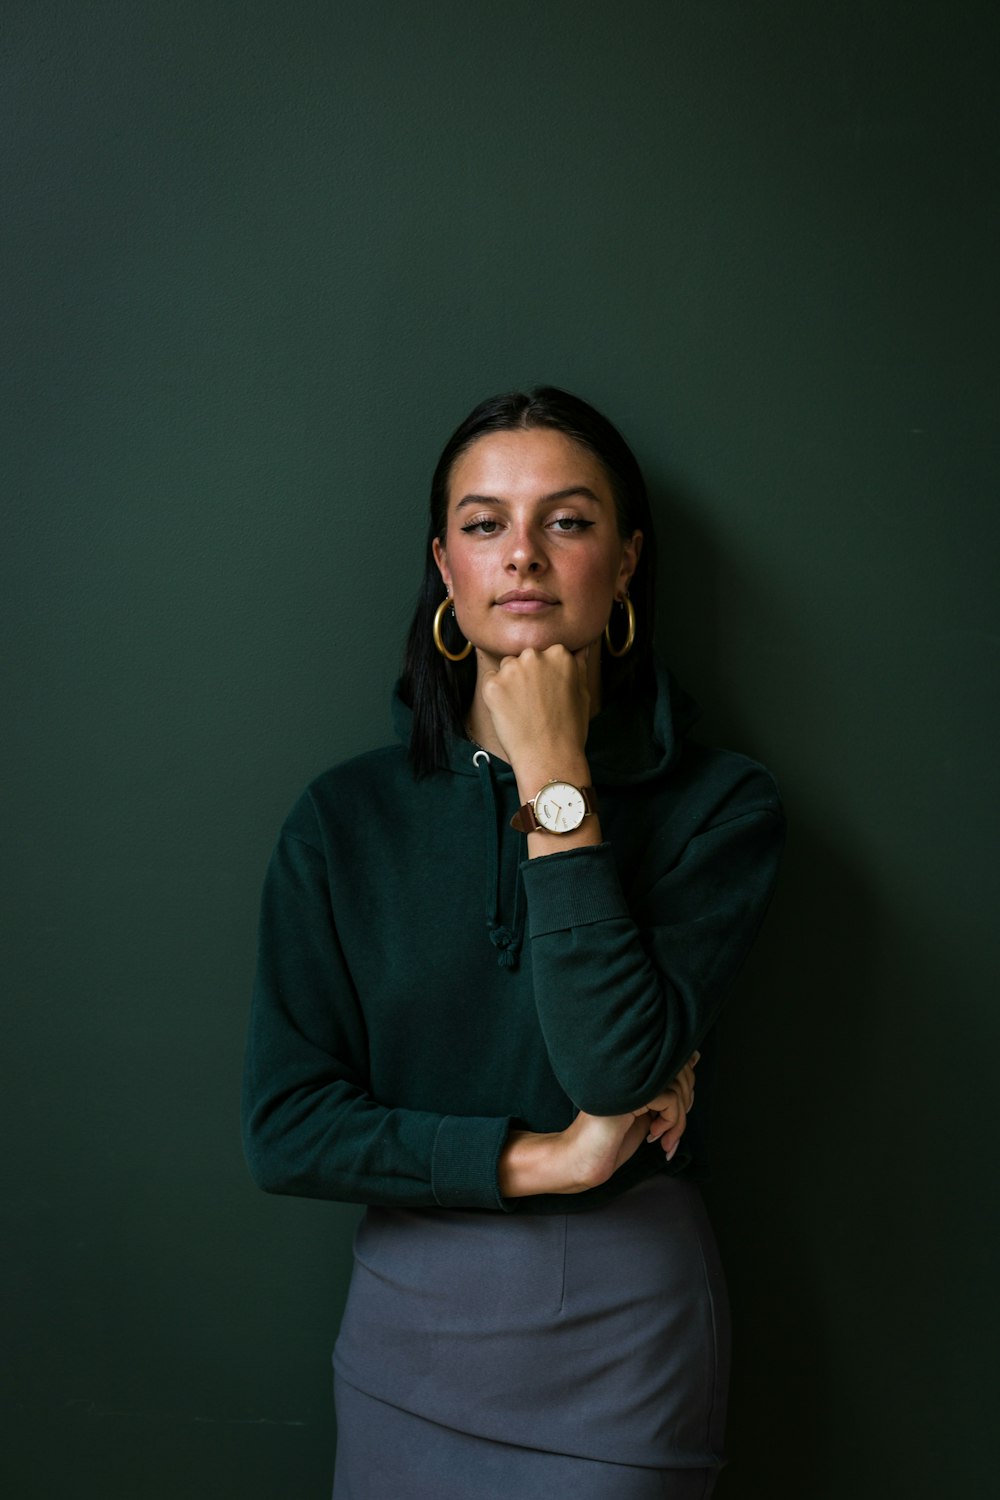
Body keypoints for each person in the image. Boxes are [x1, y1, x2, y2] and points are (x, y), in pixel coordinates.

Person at [242, 387, 785, 1499]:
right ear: (445, 566)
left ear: (626, 561)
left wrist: (554, 780)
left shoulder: (719, 809)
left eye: (567, 522)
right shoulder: (344, 820)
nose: (523, 556)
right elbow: (287, 1129)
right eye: (486, 524)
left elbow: (609, 1064)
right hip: (409, 1333)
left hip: (623, 1342)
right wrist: (548, 1159)